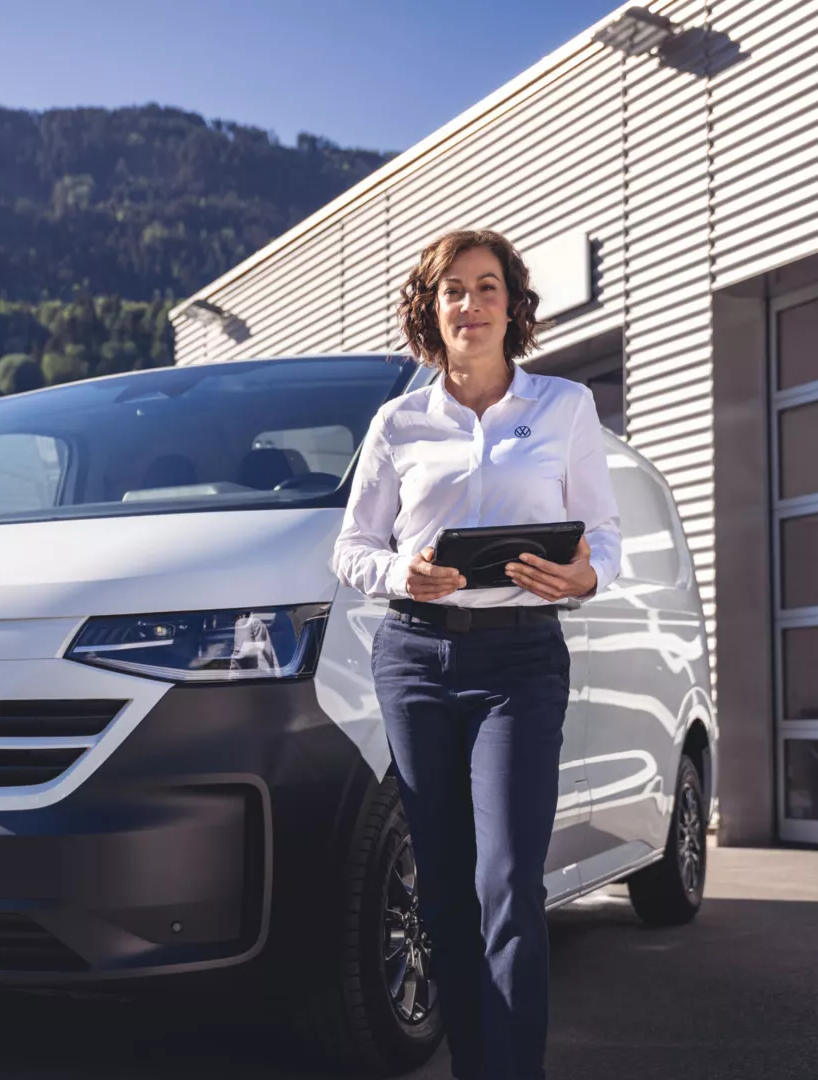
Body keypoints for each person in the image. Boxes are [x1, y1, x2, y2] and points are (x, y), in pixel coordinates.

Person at [332, 229, 622, 1080]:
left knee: (507, 884)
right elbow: (350, 549)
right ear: (432, 308)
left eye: (487, 287)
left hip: (521, 663)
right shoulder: (399, 422)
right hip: (416, 660)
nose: (471, 303)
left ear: (512, 305)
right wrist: (402, 572)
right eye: (453, 289)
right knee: (447, 891)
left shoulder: (564, 407)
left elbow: (602, 531)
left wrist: (582, 576)